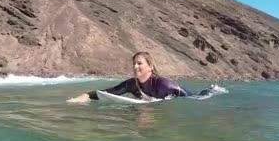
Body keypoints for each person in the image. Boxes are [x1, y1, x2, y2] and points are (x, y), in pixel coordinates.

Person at [67, 51, 211, 103]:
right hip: (150, 102)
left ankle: (212, 90)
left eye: (139, 63)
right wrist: (84, 96)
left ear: (150, 67)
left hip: (193, 95)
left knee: (203, 93)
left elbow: (191, 99)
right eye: (134, 64)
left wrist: (204, 97)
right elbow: (105, 93)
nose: (135, 67)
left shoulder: (164, 84)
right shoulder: (131, 84)